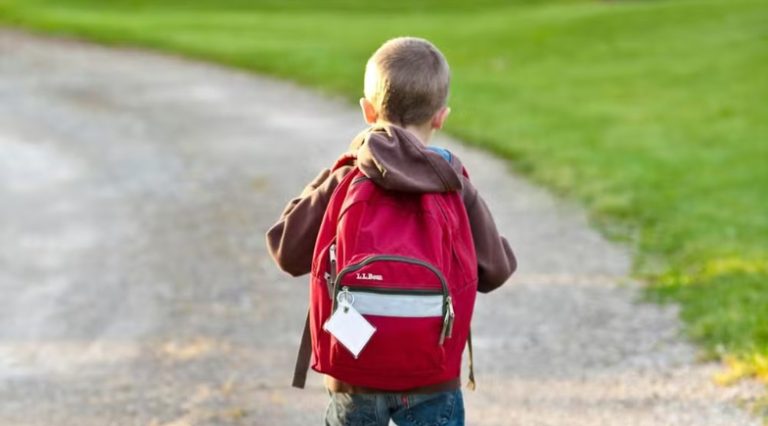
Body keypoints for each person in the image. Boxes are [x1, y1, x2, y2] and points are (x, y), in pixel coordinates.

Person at [266, 36, 516, 426]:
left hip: (354, 373)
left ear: (367, 111)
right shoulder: (454, 183)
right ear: (441, 116)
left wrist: (323, 181)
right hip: (432, 375)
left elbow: (286, 250)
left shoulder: (348, 176)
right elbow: (495, 272)